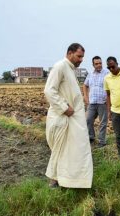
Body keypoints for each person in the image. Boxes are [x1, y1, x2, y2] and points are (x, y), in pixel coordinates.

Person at [44, 43, 93, 188]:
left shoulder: (71, 69)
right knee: (61, 150)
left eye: (82, 57)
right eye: (79, 56)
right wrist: (65, 108)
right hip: (62, 118)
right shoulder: (60, 66)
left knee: (74, 151)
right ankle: (54, 181)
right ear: (70, 53)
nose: (81, 59)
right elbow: (49, 91)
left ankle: (70, 181)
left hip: (72, 120)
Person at [83, 56, 109, 147]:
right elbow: (85, 85)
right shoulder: (90, 74)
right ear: (93, 65)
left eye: (100, 63)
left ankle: (102, 141)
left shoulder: (107, 73)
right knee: (88, 120)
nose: (99, 65)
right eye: (96, 64)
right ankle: (91, 137)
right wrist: (86, 97)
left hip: (103, 103)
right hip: (92, 102)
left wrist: (109, 100)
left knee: (103, 123)